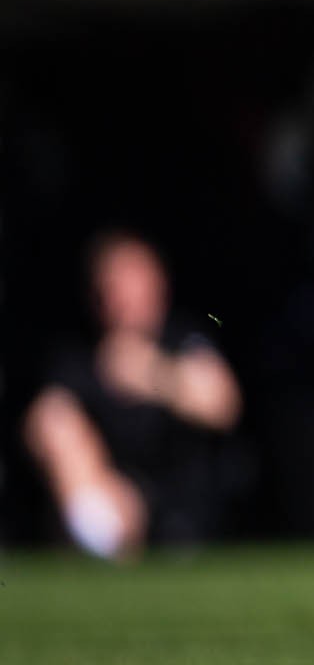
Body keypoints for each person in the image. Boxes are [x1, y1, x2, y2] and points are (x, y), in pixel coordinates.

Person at [22, 232, 242, 558]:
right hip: (110, 494)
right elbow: (43, 423)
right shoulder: (80, 356)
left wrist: (154, 374)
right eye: (114, 284)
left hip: (180, 508)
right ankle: (100, 532)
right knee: (56, 423)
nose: (124, 296)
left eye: (134, 280)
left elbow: (223, 403)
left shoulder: (184, 338)